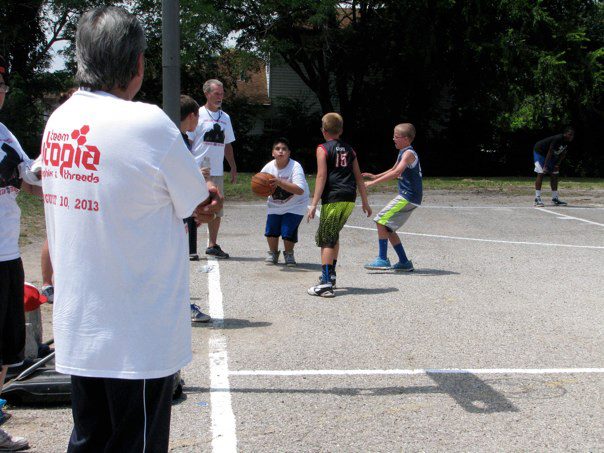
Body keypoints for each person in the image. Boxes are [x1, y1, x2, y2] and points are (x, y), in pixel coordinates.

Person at [40, 8, 221, 452]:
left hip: (82, 324)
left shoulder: (59, 120)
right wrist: (209, 199)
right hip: (136, 332)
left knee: (89, 439)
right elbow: (197, 203)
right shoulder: (148, 123)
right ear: (138, 63)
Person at [0, 53, 41, 451]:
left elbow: (30, 180)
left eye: (1, 86)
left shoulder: (4, 132)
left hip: (7, 253)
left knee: (6, 347)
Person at [307, 113, 371, 297]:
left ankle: (326, 284)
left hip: (333, 197)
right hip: (349, 198)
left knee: (327, 239)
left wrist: (313, 203)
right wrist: (365, 201)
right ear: (341, 130)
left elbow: (321, 176)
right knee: (333, 234)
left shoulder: (322, 148)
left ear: (323, 130)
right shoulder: (350, 150)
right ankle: (331, 275)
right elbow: (359, 177)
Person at [362, 123, 422, 272]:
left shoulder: (408, 154)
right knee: (388, 227)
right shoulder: (403, 152)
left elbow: (396, 173)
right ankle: (404, 262)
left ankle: (382, 259)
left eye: (396, 136)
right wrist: (375, 176)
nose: (393, 139)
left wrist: (372, 183)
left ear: (406, 139)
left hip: (408, 196)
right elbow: (393, 169)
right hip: (410, 197)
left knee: (380, 220)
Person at [189, 79, 237, 259]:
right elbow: (189, 142)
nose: (220, 97)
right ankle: (189, 246)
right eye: (217, 93)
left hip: (216, 170)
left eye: (222, 93)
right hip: (197, 170)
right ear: (207, 94)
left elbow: (227, 144)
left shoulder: (225, 118)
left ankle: (212, 245)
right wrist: (188, 167)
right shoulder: (197, 114)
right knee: (192, 207)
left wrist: (233, 166)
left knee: (216, 208)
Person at [179, 95, 211, 323]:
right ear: (192, 116)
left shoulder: (180, 139)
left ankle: (179, 304)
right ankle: (181, 306)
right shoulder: (177, 140)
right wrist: (195, 176)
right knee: (176, 262)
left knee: (177, 261)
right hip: (174, 210)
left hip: (180, 207)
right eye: (197, 118)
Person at [260, 138, 309, 266]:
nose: (281, 151)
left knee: (288, 229)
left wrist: (279, 182)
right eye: (277, 149)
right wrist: (260, 188)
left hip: (296, 203)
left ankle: (289, 254)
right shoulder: (268, 168)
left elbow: (300, 190)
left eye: (284, 149)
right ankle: (273, 253)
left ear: (289, 153)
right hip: (276, 203)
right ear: (273, 153)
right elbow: (259, 185)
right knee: (271, 229)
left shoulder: (295, 166)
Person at [533, 127, 574, 207]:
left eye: (572, 135)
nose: (571, 136)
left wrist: (557, 165)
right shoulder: (558, 138)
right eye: (570, 134)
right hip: (540, 152)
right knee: (541, 173)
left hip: (551, 155)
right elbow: (550, 151)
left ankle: (554, 199)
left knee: (555, 174)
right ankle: (537, 198)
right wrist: (545, 166)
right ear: (565, 134)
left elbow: (562, 154)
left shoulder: (567, 142)